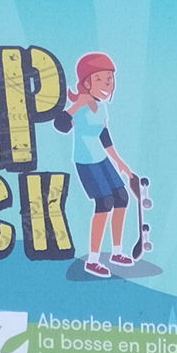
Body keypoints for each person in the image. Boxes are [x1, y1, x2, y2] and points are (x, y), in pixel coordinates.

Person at [55, 53, 138, 276]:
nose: (107, 84)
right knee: (104, 202)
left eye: (109, 79)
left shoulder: (101, 107)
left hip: (101, 159)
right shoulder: (80, 106)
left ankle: (116, 252)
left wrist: (120, 163)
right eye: (100, 79)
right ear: (86, 83)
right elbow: (61, 125)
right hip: (86, 162)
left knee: (122, 197)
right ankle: (92, 260)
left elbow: (104, 137)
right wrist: (76, 106)